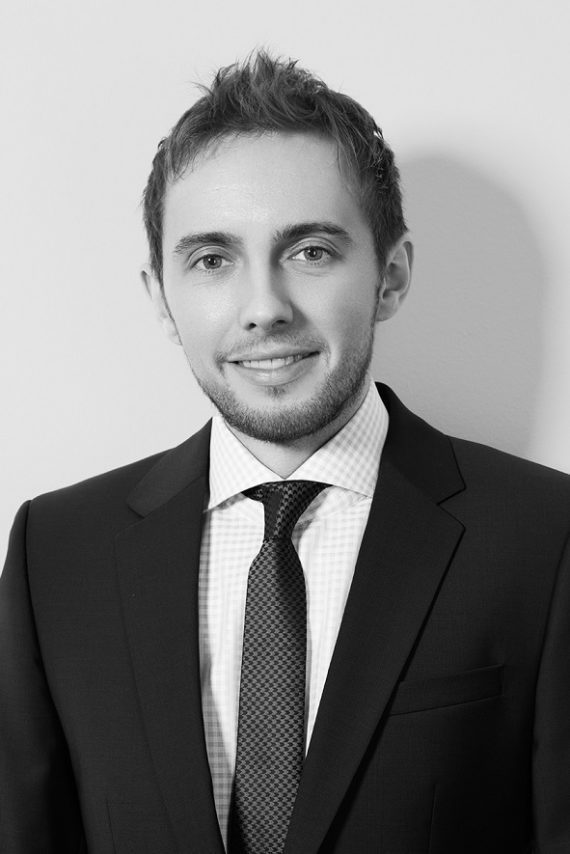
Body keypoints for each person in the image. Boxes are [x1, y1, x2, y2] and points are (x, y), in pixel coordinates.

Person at [1, 50, 569, 854]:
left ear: (391, 276)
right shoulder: (56, 556)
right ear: (161, 299)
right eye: (212, 260)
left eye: (310, 252)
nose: (264, 308)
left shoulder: (546, 540)